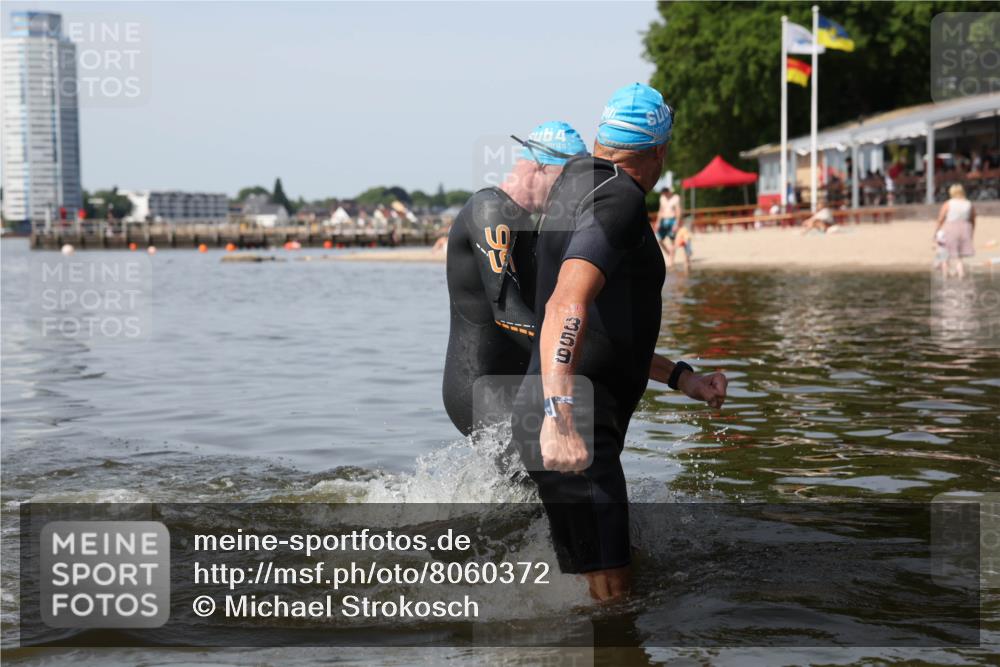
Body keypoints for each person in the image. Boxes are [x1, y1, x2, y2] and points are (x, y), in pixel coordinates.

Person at [510, 83, 728, 601]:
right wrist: (561, 415)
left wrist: (682, 378)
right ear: (660, 151)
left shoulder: (574, 184)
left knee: (599, 593)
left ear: (603, 138)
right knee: (615, 610)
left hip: (555, 414)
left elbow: (605, 329)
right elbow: (566, 304)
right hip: (571, 424)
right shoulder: (621, 198)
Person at [443, 122, 588, 436]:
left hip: (518, 382)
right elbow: (507, 312)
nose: (571, 194)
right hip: (478, 386)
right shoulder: (489, 210)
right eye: (567, 182)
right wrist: (576, 353)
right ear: (539, 167)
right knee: (556, 465)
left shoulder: (526, 222)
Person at [935, 183, 976, 279]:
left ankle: (945, 276)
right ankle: (961, 274)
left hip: (950, 228)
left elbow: (940, 219)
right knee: (959, 256)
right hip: (965, 228)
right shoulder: (969, 203)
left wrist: (936, 231)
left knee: (945, 253)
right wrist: (971, 232)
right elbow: (973, 220)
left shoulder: (948, 203)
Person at [655, 187, 682, 265]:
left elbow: (678, 211)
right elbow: (660, 211)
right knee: (659, 239)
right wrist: (658, 222)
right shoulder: (662, 198)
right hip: (663, 220)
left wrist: (676, 223)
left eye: (665, 193)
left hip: (672, 220)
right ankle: (669, 253)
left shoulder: (676, 198)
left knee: (672, 240)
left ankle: (671, 260)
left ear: (669, 192)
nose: (665, 195)